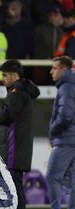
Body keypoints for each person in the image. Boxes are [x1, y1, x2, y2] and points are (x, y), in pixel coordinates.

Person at [0, 60, 40, 209]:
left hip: (13, 150)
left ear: (14, 75)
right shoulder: (20, 91)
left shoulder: (17, 92)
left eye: (5, 75)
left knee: (14, 187)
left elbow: (7, 116)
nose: (2, 79)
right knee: (14, 186)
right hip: (17, 148)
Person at [47, 56, 75, 209]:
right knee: (71, 183)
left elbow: (65, 116)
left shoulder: (66, 86)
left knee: (52, 177)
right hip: (72, 140)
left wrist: (52, 131)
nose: (51, 72)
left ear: (64, 69)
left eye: (54, 68)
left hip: (66, 139)